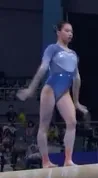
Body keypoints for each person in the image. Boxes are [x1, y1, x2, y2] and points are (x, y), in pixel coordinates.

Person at [16, 21, 88, 168]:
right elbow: (43, 69)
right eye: (67, 30)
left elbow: (77, 79)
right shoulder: (52, 49)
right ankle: (45, 161)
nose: (70, 34)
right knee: (44, 126)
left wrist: (76, 102)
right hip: (50, 89)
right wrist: (31, 89)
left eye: (72, 32)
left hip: (64, 91)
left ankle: (68, 159)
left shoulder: (74, 54)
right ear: (58, 32)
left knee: (72, 122)